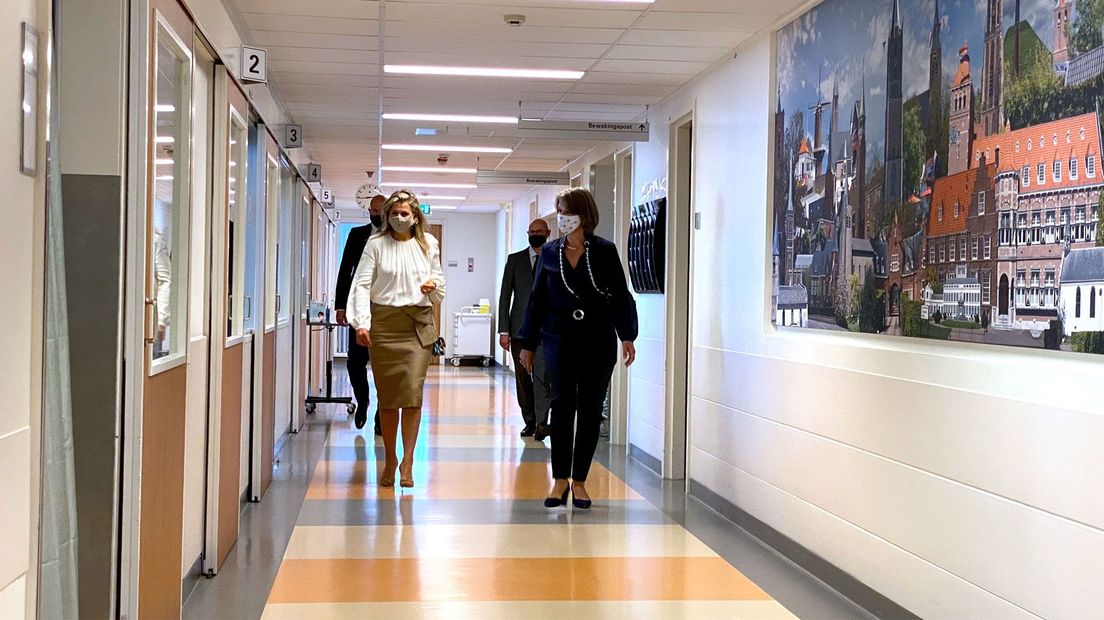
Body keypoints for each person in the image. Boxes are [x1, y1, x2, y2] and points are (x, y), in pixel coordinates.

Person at [518, 188, 637, 510]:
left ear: (583, 216)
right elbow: (537, 300)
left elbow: (620, 296)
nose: (561, 219)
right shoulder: (550, 252)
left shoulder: (604, 251)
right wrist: (527, 344)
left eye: (565, 212)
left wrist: (627, 335)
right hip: (559, 340)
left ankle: (580, 481)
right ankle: (559, 480)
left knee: (589, 410)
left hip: (597, 341)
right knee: (562, 405)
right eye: (558, 212)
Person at [347, 190, 445, 488]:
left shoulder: (428, 244)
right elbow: (362, 284)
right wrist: (361, 323)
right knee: (388, 399)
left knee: (412, 394)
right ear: (387, 216)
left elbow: (439, 280)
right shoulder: (375, 244)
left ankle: (408, 461)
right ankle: (389, 459)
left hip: (417, 325)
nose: (399, 218)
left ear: (415, 216)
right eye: (394, 213)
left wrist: (433, 285)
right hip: (385, 326)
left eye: (405, 213)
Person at [498, 219, 553, 439]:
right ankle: (529, 420)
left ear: (548, 233)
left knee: (541, 376)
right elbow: (505, 296)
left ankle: (542, 422)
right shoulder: (515, 260)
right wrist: (504, 330)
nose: (535, 234)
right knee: (523, 378)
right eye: (531, 232)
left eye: (539, 231)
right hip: (519, 330)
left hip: (546, 331)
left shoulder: (554, 258)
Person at [336, 192, 385, 433]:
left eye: (379, 212)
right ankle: (363, 400)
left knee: (385, 367)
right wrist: (340, 306)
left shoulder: (397, 238)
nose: (375, 216)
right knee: (355, 362)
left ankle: (380, 416)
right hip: (360, 309)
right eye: (372, 212)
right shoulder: (357, 235)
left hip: (386, 312)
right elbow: (346, 270)